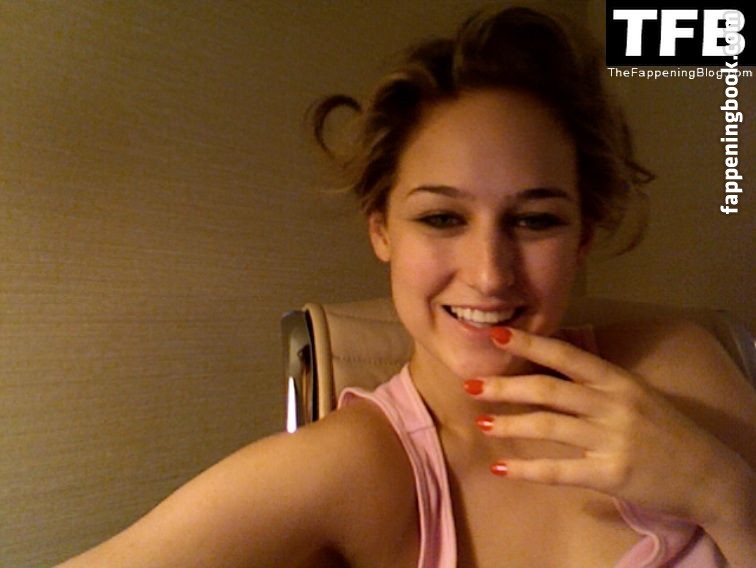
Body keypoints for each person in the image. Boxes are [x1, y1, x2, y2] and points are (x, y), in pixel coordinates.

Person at [60, 6, 754, 567]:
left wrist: (724, 494)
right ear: (382, 231)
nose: (490, 273)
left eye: (535, 220)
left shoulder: (677, 367)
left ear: (583, 238)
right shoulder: (352, 469)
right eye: (442, 218)